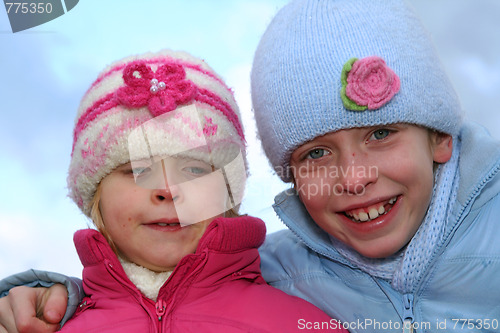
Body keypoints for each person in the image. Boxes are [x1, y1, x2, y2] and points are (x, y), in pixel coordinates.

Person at [2, 0, 500, 332]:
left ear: (439, 136)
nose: (354, 177)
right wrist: (60, 296)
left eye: (381, 133)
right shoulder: (278, 268)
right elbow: (168, 283)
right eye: (316, 153)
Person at [0, 49, 343, 333]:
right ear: (94, 196)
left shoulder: (303, 324)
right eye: (138, 170)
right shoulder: (42, 325)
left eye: (194, 169)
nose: (166, 190)